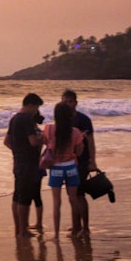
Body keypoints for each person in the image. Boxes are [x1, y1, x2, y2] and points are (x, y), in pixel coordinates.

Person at [42, 102, 85, 237]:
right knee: (73, 200)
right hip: (71, 167)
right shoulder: (75, 132)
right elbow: (79, 152)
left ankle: (55, 234)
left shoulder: (48, 129)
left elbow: (46, 143)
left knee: (56, 202)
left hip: (56, 168)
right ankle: (76, 229)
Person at [4, 93, 44, 238]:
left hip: (18, 161)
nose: (36, 111)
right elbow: (33, 141)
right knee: (25, 197)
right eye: (36, 107)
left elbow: (6, 141)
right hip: (28, 162)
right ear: (31, 105)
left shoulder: (14, 118)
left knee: (17, 195)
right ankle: (23, 230)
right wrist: (44, 138)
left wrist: (18, 151)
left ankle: (18, 228)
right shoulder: (26, 119)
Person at [61, 89, 96, 237]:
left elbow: (91, 142)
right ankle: (76, 225)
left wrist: (93, 161)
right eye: (64, 101)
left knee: (79, 194)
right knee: (71, 194)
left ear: (75, 102)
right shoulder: (63, 119)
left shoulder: (83, 120)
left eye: (70, 101)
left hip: (81, 161)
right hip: (68, 161)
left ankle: (85, 228)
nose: (67, 104)